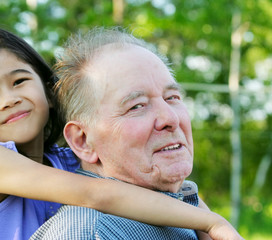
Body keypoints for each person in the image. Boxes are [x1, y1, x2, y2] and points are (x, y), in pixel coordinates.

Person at [0, 27, 240, 240]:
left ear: (47, 90)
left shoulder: (64, 159)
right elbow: (98, 194)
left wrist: (202, 222)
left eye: (19, 81)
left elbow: (165, 186)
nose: (9, 99)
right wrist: (210, 221)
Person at [30, 27, 244, 240]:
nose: (170, 119)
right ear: (83, 141)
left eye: (172, 97)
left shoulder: (187, 206)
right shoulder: (90, 233)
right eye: (137, 106)